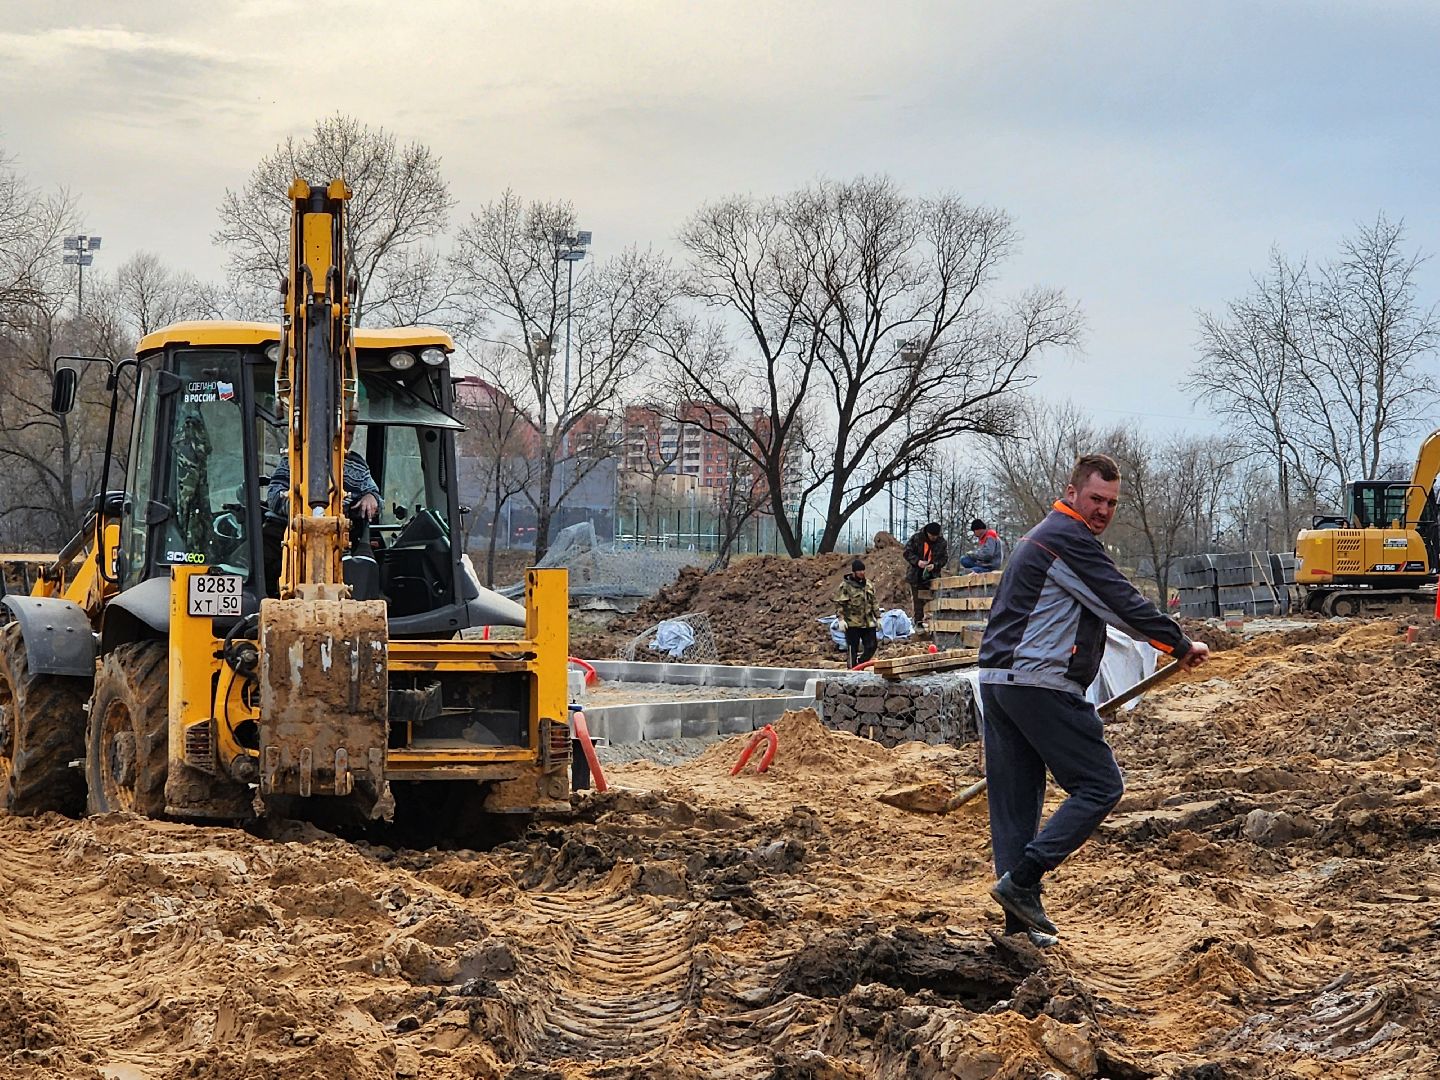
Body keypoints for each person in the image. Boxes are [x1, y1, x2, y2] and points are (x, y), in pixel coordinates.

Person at [977, 453, 1210, 946]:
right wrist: (1179, 643)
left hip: (999, 683)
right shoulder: (1067, 538)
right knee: (1100, 785)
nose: (1103, 510)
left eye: (1111, 502)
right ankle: (1022, 881)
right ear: (1072, 491)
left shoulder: (1038, 538)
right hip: (1038, 683)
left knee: (1017, 807)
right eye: (1096, 499)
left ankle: (1018, 929)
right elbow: (1118, 600)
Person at [262, 412, 381, 596]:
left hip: (338, 539)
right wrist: (304, 511)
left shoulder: (357, 466)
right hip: (288, 531)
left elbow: (375, 496)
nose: (345, 439)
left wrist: (371, 497)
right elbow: (274, 495)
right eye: (341, 432)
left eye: (350, 433)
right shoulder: (294, 458)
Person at [832, 558, 880, 668]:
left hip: (867, 622)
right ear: (854, 572)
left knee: (872, 646)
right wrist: (841, 619)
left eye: (863, 570)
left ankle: (861, 663)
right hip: (852, 623)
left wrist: (878, 617)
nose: (862, 573)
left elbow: (874, 601)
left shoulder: (868, 585)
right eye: (859, 571)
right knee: (852, 648)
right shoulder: (845, 586)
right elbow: (839, 603)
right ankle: (852, 669)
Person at [903, 522, 948, 629]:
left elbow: (944, 558)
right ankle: (919, 623)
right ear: (927, 533)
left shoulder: (941, 542)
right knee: (918, 601)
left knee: (935, 598)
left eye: (935, 536)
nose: (934, 538)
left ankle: (935, 622)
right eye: (932, 536)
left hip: (933, 575)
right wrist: (917, 562)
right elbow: (907, 552)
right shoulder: (917, 538)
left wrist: (935, 565)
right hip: (916, 574)